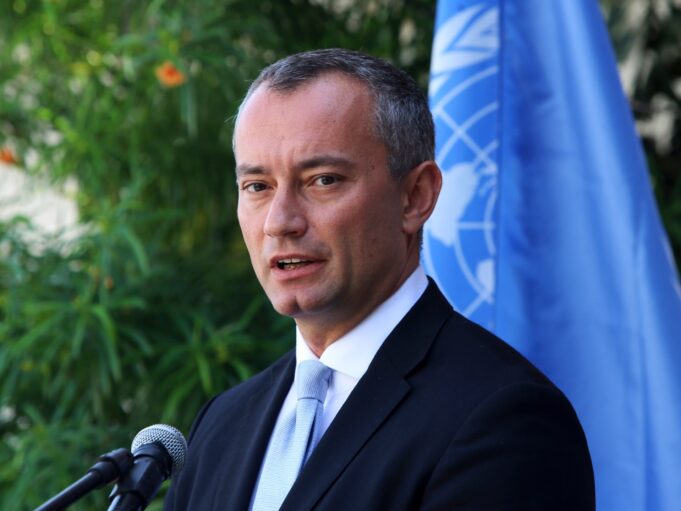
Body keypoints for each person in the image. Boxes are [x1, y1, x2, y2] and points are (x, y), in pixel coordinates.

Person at [164, 48, 594, 511]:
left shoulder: (504, 417)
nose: (279, 222)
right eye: (257, 187)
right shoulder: (220, 425)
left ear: (415, 197)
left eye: (323, 180)